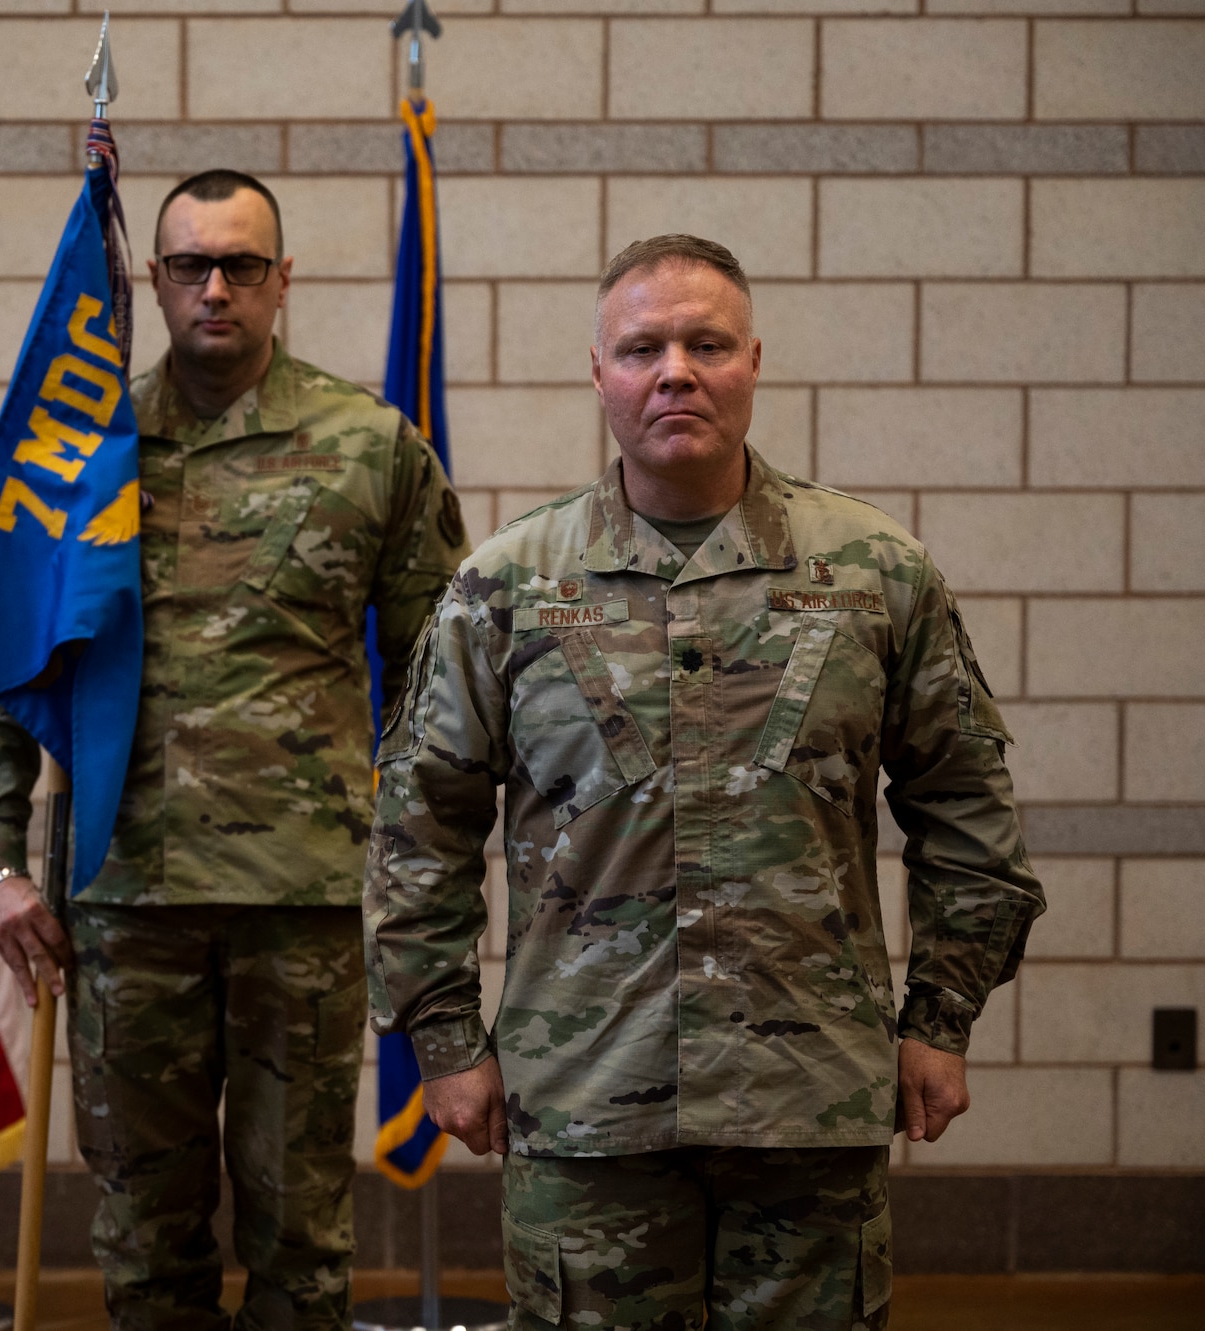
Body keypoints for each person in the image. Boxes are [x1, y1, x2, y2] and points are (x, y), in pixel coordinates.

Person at [364, 235, 1045, 1330]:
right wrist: (443, 1042)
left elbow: (966, 818)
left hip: (809, 1103)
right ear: (599, 374)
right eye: (641, 347)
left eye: (704, 343)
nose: (673, 369)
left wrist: (940, 1018)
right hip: (584, 1105)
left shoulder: (872, 572)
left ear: (752, 362)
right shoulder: (505, 585)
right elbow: (416, 827)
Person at [0, 169, 468, 1330]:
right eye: (189, 263)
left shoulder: (367, 447)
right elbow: (0, 678)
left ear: (281, 282)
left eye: (241, 265)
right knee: (144, 1234)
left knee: (299, 1231)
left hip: (301, 905)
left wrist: (411, 868)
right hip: (119, 898)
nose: (214, 287)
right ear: (149, 279)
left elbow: (441, 688)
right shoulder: (77, 453)